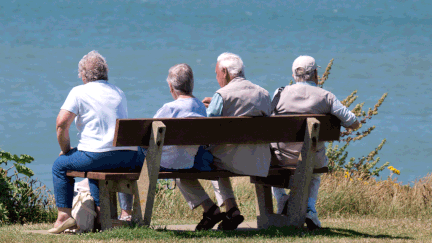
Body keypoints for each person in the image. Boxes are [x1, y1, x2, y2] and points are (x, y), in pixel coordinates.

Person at [49, 50, 144, 234]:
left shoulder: (79, 91)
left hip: (96, 156)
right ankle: (101, 215)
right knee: (95, 168)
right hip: (127, 157)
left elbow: (61, 124)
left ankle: (63, 217)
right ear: (105, 73)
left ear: (83, 75)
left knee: (59, 166)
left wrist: (66, 150)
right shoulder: (119, 92)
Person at [270, 55, 360, 229]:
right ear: (315, 74)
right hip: (312, 159)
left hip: (281, 158)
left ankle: (282, 199)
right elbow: (353, 123)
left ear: (294, 74)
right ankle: (310, 208)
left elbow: (267, 119)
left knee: (270, 155)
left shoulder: (280, 93)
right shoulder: (326, 96)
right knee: (314, 165)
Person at [199, 52, 272, 229]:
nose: (217, 78)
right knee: (217, 157)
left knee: (210, 158)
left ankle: (225, 209)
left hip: (231, 160)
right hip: (261, 161)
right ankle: (232, 210)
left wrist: (205, 108)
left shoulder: (222, 95)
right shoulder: (263, 93)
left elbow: (205, 129)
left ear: (224, 71)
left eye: (217, 73)